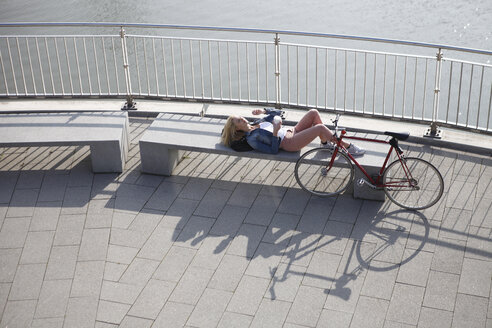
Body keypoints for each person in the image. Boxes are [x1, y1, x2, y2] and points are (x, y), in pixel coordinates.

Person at [221, 108, 365, 156]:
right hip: (288, 142)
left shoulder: (256, 123)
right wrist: (276, 133)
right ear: (237, 128)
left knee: (313, 113)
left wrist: (264, 111)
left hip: (291, 131)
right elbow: (273, 151)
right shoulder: (252, 138)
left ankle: (325, 143)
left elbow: (279, 112)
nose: (243, 120)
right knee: (319, 128)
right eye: (239, 121)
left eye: (241, 117)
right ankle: (346, 146)